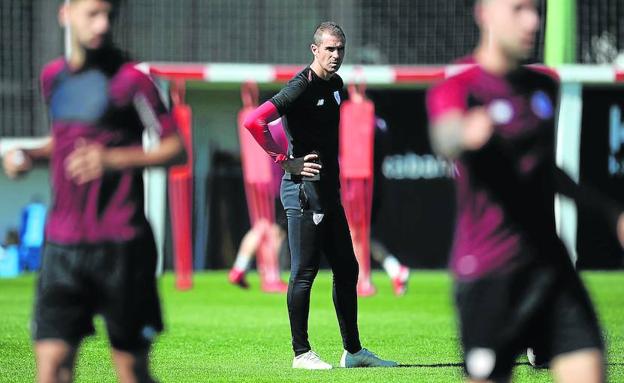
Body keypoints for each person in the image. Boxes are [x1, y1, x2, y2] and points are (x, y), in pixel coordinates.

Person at [426, 0, 624, 382]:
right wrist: (463, 133)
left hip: (552, 269)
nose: (532, 21)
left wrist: (610, 213)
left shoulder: (543, 87)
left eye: (535, 10)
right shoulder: (460, 88)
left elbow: (547, 172)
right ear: (484, 13)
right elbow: (444, 134)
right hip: (489, 275)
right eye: (518, 9)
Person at [2, 0, 186, 381]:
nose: (102, 25)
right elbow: (64, 143)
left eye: (109, 15)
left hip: (122, 245)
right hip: (62, 247)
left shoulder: (132, 80)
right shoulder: (53, 78)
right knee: (51, 369)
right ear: (65, 13)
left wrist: (111, 159)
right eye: (92, 14)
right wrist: (26, 155)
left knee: (131, 371)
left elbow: (176, 149)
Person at [243, 21, 397, 369]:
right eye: (329, 49)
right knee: (304, 273)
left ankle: (353, 352)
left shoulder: (338, 85)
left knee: (347, 267)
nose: (336, 55)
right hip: (302, 193)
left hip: (328, 193)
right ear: (314, 50)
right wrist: (286, 162)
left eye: (340, 49)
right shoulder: (299, 87)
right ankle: (301, 354)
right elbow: (255, 121)